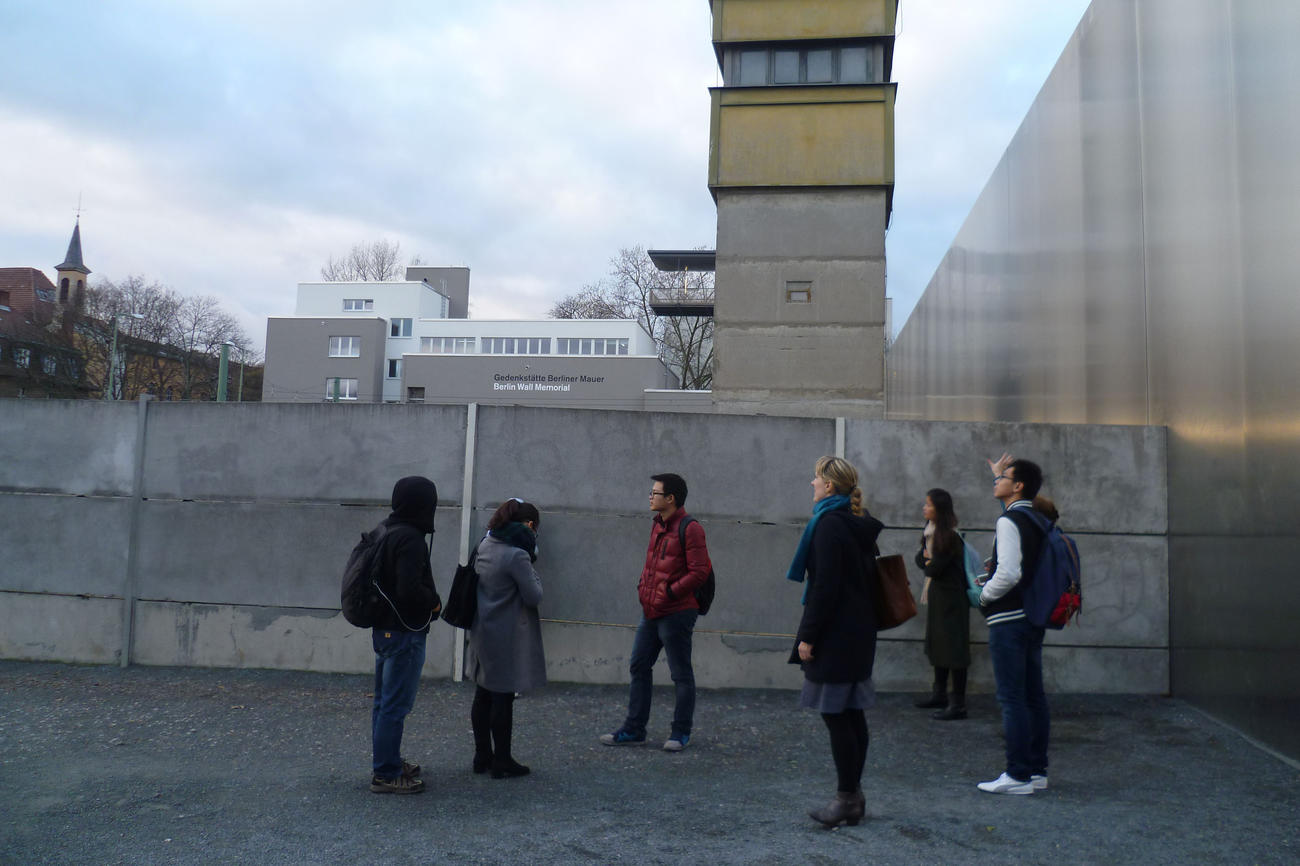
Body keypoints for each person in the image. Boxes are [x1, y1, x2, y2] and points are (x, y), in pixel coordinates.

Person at [787, 456, 884, 828]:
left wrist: (808, 637)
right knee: (851, 713)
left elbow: (825, 588)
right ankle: (853, 797)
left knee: (835, 713)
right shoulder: (856, 523)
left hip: (837, 635)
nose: (811, 484)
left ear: (829, 487)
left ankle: (846, 798)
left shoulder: (828, 525)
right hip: (859, 631)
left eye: (815, 479)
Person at [600, 473, 711, 752]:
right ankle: (634, 729)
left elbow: (700, 571)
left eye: (655, 493)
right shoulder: (657, 524)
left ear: (670, 498)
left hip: (677, 612)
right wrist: (643, 588)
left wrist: (670, 592)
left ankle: (680, 733)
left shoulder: (691, 528)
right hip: (650, 611)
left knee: (680, 674)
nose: (650, 497)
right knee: (638, 665)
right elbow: (652, 565)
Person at [976, 454, 1051, 795]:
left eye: (1002, 477)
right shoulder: (1037, 519)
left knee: (1011, 698)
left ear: (1018, 485)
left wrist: (984, 596)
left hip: (1008, 618)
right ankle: (1036, 771)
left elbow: (1008, 573)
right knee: (1033, 695)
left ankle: (1017, 775)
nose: (996, 481)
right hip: (1033, 616)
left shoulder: (1008, 522)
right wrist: (1001, 474)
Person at [370, 475, 442, 794]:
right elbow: (408, 589)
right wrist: (434, 603)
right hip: (404, 633)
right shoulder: (411, 539)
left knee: (384, 703)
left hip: (384, 629)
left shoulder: (386, 530)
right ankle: (386, 773)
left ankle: (387, 761)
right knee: (395, 705)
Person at [466, 498, 545, 779]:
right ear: (529, 525)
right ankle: (502, 760)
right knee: (503, 697)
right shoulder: (517, 555)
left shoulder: (485, 544)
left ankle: (481, 755)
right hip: (506, 633)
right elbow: (533, 595)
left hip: (482, 628)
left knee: (483, 693)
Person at [913, 488, 972, 720]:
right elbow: (922, 559)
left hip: (952, 599)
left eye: (928, 504)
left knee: (955, 650)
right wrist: (927, 560)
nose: (924, 508)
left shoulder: (949, 536)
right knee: (939, 645)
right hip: (940, 596)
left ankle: (958, 703)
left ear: (939, 508)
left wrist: (928, 561)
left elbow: (933, 567)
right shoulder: (930, 533)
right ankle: (940, 694)